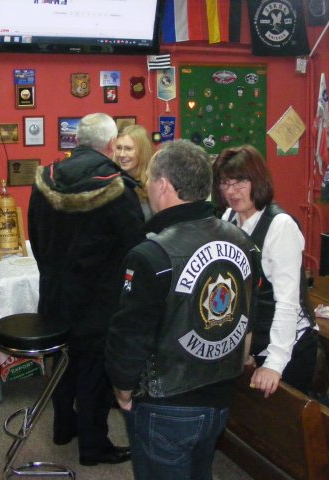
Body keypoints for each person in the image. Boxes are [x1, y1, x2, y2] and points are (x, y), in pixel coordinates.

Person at [106, 139, 258, 480]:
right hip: (221, 395)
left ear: (163, 185)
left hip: (166, 402)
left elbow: (129, 335)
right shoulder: (243, 242)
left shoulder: (150, 255)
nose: (147, 186)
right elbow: (249, 321)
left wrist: (122, 389)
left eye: (149, 179)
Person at [28, 112, 144, 466]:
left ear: (77, 141)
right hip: (99, 300)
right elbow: (135, 249)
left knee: (62, 363)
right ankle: (94, 446)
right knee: (93, 372)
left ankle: (63, 427)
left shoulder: (45, 179)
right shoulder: (118, 189)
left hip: (54, 293)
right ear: (110, 145)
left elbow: (35, 237)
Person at [212, 145, 318, 397]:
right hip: (254, 341)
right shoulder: (229, 217)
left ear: (257, 181)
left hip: (287, 346)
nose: (232, 191)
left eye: (240, 182)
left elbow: (287, 302)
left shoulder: (280, 226)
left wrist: (274, 362)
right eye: (225, 183)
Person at [113, 124, 153, 220]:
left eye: (128, 149)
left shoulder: (156, 183)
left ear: (143, 152)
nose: (122, 154)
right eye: (118, 148)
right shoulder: (112, 183)